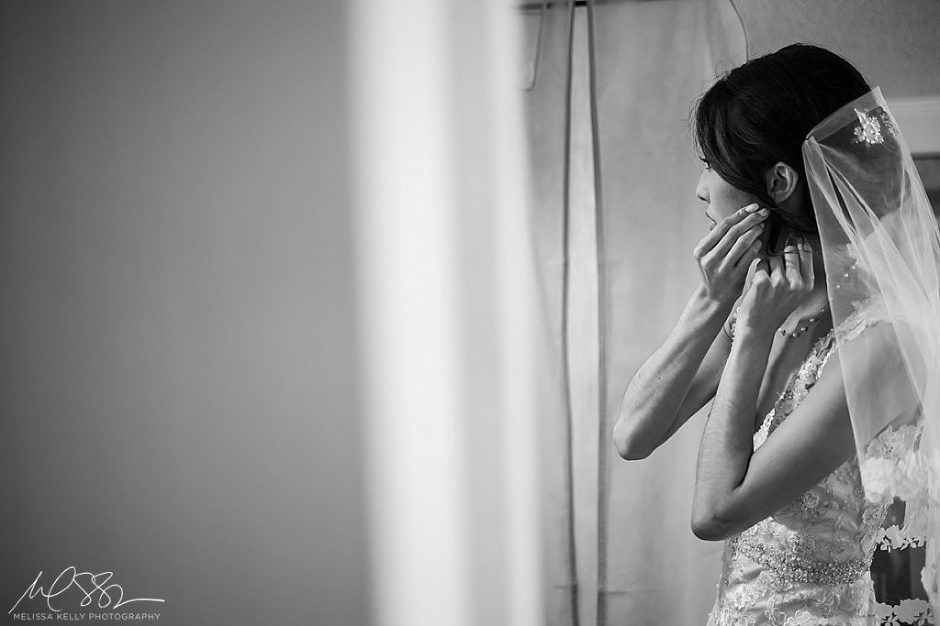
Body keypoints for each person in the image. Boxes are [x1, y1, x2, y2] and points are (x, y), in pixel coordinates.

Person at [613, 43, 940, 624]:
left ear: (780, 180)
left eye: (712, 164)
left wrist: (755, 335)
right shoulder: (760, 301)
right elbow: (633, 435)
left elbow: (714, 512)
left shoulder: (882, 343)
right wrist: (715, 299)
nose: (699, 187)